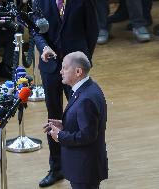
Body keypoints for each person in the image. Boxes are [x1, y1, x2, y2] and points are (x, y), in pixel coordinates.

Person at [32, 0, 98, 187]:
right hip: (50, 68)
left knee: (81, 116)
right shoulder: (40, 1)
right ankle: (57, 167)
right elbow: (36, 30)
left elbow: (92, 30)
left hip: (76, 69)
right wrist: (43, 47)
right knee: (53, 117)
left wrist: (84, 61)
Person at [43, 51, 108, 189]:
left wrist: (60, 136)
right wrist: (64, 124)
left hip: (84, 168)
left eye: (65, 68)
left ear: (78, 71)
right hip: (84, 166)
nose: (60, 71)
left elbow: (88, 135)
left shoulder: (86, 99)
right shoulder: (87, 88)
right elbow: (86, 123)